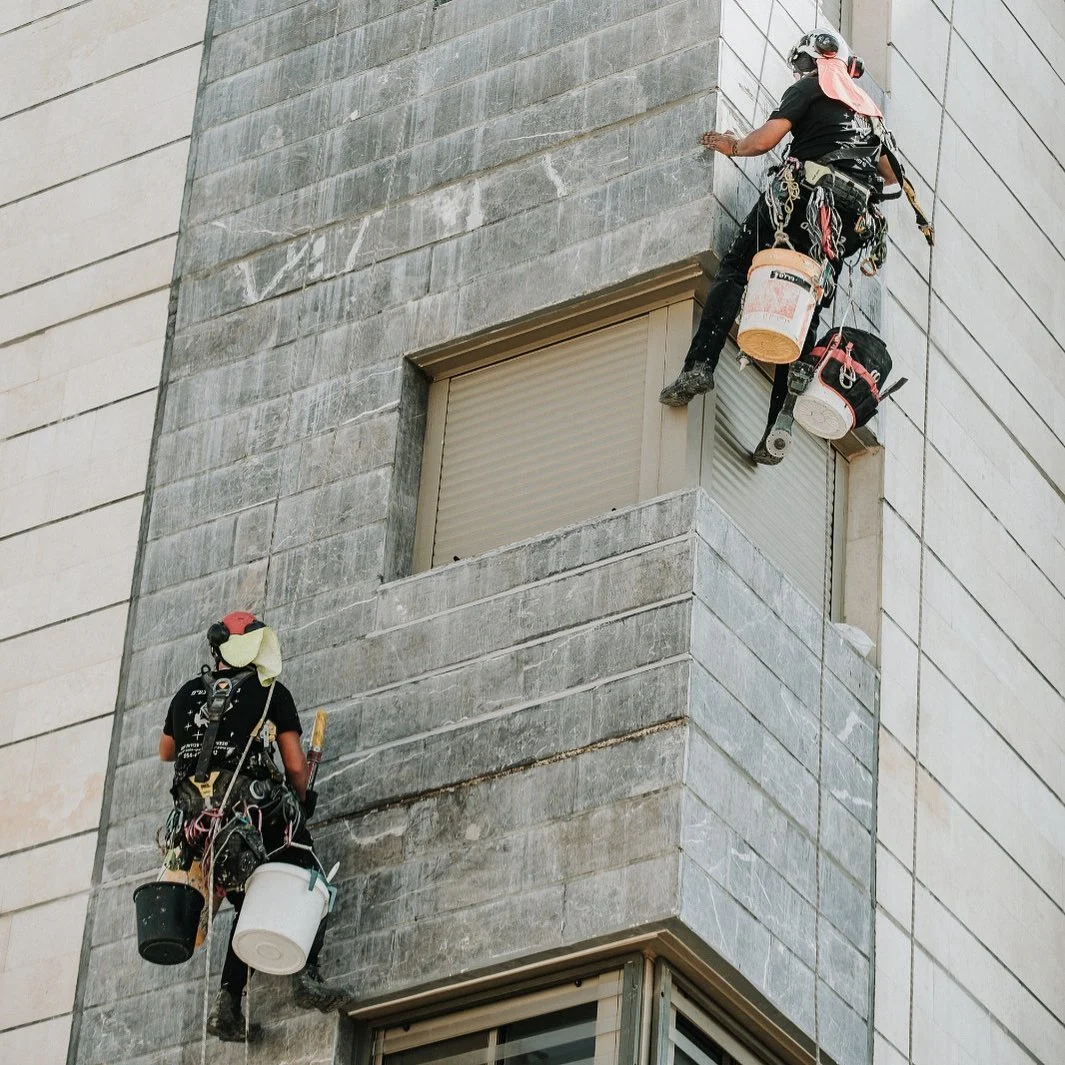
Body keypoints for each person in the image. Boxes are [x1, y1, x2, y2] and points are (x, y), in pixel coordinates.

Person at [659, 29, 933, 463]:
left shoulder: (810, 88)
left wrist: (732, 145)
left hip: (802, 197)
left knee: (735, 268)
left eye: (804, 63)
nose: (802, 71)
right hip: (844, 223)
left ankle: (699, 367)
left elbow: (763, 141)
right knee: (808, 310)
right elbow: (892, 178)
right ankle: (777, 426)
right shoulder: (871, 115)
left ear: (817, 61)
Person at [158, 611, 351, 1042]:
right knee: (308, 874)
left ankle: (228, 1005)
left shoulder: (187, 693)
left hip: (194, 825)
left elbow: (165, 751)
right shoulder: (271, 693)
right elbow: (296, 766)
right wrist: (302, 801)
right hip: (252, 813)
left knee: (249, 900)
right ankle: (306, 977)